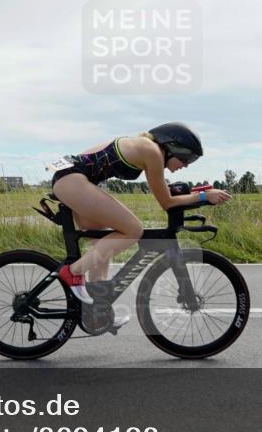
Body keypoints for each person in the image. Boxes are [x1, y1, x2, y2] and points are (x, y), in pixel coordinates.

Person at [48, 123, 232, 325]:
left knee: (103, 239)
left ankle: (96, 308)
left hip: (73, 179)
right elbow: (166, 202)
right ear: (172, 146)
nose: (187, 164)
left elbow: (166, 193)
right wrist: (204, 196)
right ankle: (73, 272)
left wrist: (197, 195)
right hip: (73, 181)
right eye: (187, 158)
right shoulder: (152, 152)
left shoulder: (144, 146)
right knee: (133, 230)